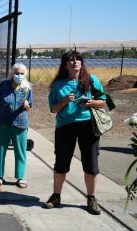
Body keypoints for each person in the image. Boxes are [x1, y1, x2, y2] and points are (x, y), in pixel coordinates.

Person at [45, 50, 107, 215]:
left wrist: (90, 102)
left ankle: (91, 199)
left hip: (88, 126)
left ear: (81, 63)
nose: (75, 62)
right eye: (70, 60)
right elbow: (53, 109)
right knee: (61, 164)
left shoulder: (91, 80)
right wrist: (65, 101)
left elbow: (104, 102)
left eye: (77, 59)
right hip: (65, 127)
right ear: (65, 64)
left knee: (91, 164)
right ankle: (56, 196)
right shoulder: (58, 84)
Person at [0, 63, 33, 188]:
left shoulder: (27, 88)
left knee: (20, 151)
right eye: (17, 73)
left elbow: (30, 106)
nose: (19, 75)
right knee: (0, 150)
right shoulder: (4, 85)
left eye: (22, 73)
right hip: (2, 122)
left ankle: (20, 177)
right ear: (12, 74)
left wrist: (26, 105)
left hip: (20, 124)